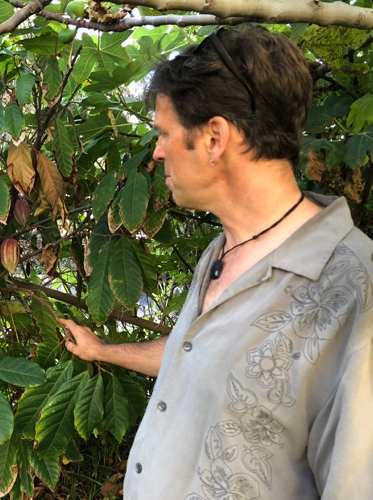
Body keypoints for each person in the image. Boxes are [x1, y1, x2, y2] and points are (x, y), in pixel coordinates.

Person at [60, 26, 373, 499]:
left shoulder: (354, 290)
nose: (158, 151)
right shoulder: (220, 252)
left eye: (164, 133)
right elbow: (197, 355)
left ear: (214, 138)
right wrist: (103, 350)